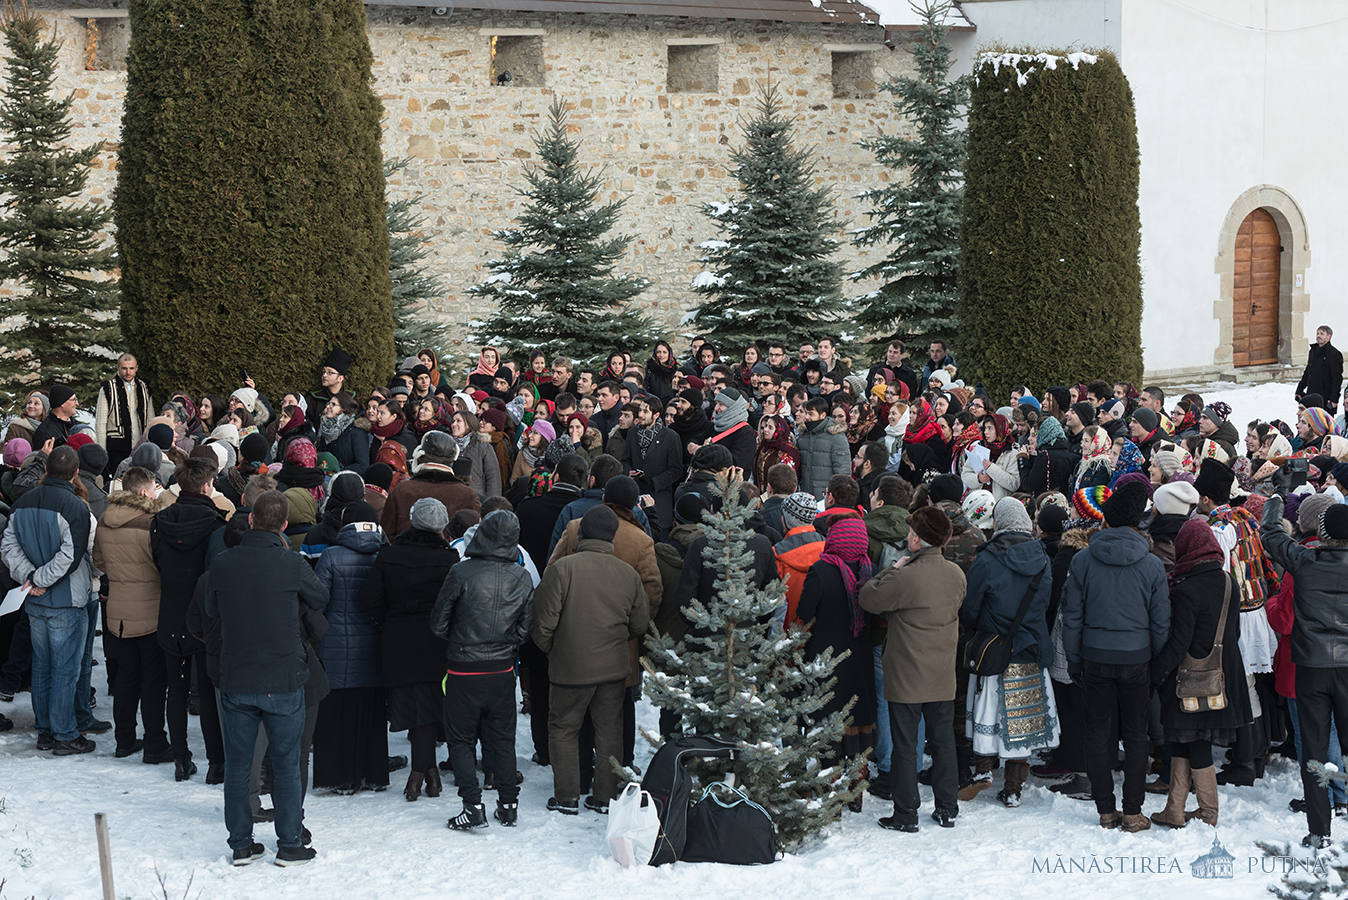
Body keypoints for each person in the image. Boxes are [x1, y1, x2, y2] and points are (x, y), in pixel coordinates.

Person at [204, 489, 327, 867]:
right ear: (284, 526)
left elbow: (210, 609)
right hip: (284, 677)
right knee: (287, 763)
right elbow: (320, 597)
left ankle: (241, 844)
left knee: (239, 765)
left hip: (238, 676)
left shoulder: (223, 564)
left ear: (252, 520)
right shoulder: (291, 563)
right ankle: (289, 844)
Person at [1061, 481, 1169, 832]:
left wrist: (1074, 659)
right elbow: (1160, 620)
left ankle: (1106, 810)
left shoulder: (1083, 560)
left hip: (1094, 655)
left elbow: (1072, 617)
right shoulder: (1152, 565)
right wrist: (1154, 659)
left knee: (1097, 732)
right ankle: (1133, 810)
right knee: (1136, 735)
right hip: (1137, 657)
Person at [531, 505, 650, 815]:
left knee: (563, 729)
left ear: (581, 534)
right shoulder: (628, 574)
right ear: (611, 535)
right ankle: (605, 797)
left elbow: (542, 624)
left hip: (570, 668)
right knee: (610, 730)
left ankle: (567, 797)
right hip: (613, 668)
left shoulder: (561, 569)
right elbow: (639, 624)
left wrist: (553, 650)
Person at [861, 506, 965, 832]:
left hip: (907, 674)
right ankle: (948, 808)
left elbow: (868, 598)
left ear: (917, 540)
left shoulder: (906, 576)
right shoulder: (956, 575)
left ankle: (906, 814)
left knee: (905, 746)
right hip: (942, 672)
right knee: (944, 742)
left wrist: (894, 568)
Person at [431, 510, 534, 830]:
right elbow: (525, 629)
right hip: (503, 669)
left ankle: (473, 805)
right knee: (503, 738)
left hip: (464, 668)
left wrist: (462, 641)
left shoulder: (461, 572)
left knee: (460, 740)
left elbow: (438, 624)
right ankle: (508, 804)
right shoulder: (522, 576)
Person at [1260, 488, 1348, 849]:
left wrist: (1277, 499)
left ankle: (1319, 830)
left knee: (1312, 748)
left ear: (1323, 533)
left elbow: (1271, 534)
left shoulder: (1303, 561)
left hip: (1310, 667)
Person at [1149, 518, 1250, 830]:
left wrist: (1154, 673)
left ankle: (1208, 811)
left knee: (1195, 742)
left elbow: (1180, 642)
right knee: (1181, 738)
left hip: (1190, 677)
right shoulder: (1229, 581)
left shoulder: (1186, 589)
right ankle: (1175, 809)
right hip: (1221, 674)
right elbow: (1233, 631)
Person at [0, 446, 97, 755]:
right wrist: (37, 578)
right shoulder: (75, 506)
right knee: (65, 670)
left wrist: (30, 577)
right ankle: (64, 732)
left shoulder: (22, 503)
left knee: (42, 666)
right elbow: (73, 554)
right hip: (64, 599)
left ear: (46, 471)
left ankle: (46, 729)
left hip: (35, 597)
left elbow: (8, 546)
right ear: (76, 473)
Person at [960, 497, 1056, 808]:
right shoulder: (1043, 558)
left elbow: (971, 607)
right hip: (1030, 647)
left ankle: (983, 770)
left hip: (994, 647)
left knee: (987, 709)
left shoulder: (987, 560)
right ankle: (1014, 786)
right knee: (1023, 718)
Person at [362, 497, 460, 800]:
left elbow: (370, 600)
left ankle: (422, 775)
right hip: (436, 638)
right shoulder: (449, 559)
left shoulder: (389, 555)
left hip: (398, 637)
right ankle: (425, 774)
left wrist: (389, 622)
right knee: (428, 706)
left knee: (416, 706)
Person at [150, 457, 225, 782]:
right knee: (205, 691)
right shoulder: (215, 524)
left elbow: (158, 562)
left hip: (170, 611)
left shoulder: (160, 521)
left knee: (176, 690)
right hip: (203, 614)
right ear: (207, 485)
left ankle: (181, 757)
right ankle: (216, 763)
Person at [92, 466, 171, 763]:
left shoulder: (104, 519)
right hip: (150, 609)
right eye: (153, 489)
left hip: (118, 613)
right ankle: (155, 743)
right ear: (142, 493)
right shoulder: (150, 523)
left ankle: (124, 739)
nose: (155, 494)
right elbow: (160, 565)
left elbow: (99, 559)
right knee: (152, 681)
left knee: (125, 678)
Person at [797, 517, 876, 812]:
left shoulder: (821, 570)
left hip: (826, 658)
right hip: (860, 659)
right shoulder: (870, 571)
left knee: (828, 720)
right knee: (858, 721)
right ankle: (856, 791)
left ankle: (831, 790)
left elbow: (805, 611)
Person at [312, 503, 389, 794]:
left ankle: (338, 776)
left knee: (337, 714)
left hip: (336, 646)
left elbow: (318, 600)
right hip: (374, 645)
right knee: (370, 712)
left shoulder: (331, 556)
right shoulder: (384, 554)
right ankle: (373, 773)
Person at [381, 432, 481, 536]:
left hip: (404, 551)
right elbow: (476, 537)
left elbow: (386, 534)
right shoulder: (468, 495)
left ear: (420, 456)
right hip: (452, 551)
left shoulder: (402, 490)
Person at [621, 395, 683, 530]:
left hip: (659, 502)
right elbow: (625, 460)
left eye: (646, 411)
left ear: (656, 415)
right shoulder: (632, 433)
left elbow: (676, 469)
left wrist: (655, 482)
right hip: (634, 499)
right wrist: (628, 472)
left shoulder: (670, 437)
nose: (641, 414)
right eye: (641, 410)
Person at [95, 353, 154, 476]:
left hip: (140, 446)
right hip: (117, 447)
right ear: (118, 367)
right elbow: (101, 422)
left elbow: (150, 419)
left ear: (136, 368)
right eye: (124, 368)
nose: (128, 372)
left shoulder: (144, 388)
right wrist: (102, 451)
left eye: (131, 368)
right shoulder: (108, 388)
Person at [797, 397, 851, 500]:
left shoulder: (836, 437)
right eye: (806, 413)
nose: (807, 417)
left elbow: (843, 472)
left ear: (823, 415)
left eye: (811, 414)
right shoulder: (803, 435)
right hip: (804, 494)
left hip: (825, 497)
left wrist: (837, 497)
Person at [316, 392, 370, 475]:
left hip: (348, 480)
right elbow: (322, 455)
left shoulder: (356, 432)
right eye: (328, 403)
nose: (328, 407)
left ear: (344, 409)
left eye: (333, 404)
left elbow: (362, 465)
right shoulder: (326, 429)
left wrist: (336, 472)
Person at [1297, 325, 1344, 415]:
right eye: (1317, 333)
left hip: (1325, 397)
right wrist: (1299, 390)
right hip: (1311, 394)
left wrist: (1334, 398)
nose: (1319, 335)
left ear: (1329, 337)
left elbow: (1337, 378)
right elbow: (1307, 372)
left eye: (1322, 334)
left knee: (1324, 425)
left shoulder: (1334, 354)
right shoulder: (1313, 351)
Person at [31, 385, 78, 451]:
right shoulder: (44, 432)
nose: (77, 403)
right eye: (74, 400)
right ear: (62, 403)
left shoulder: (76, 425)